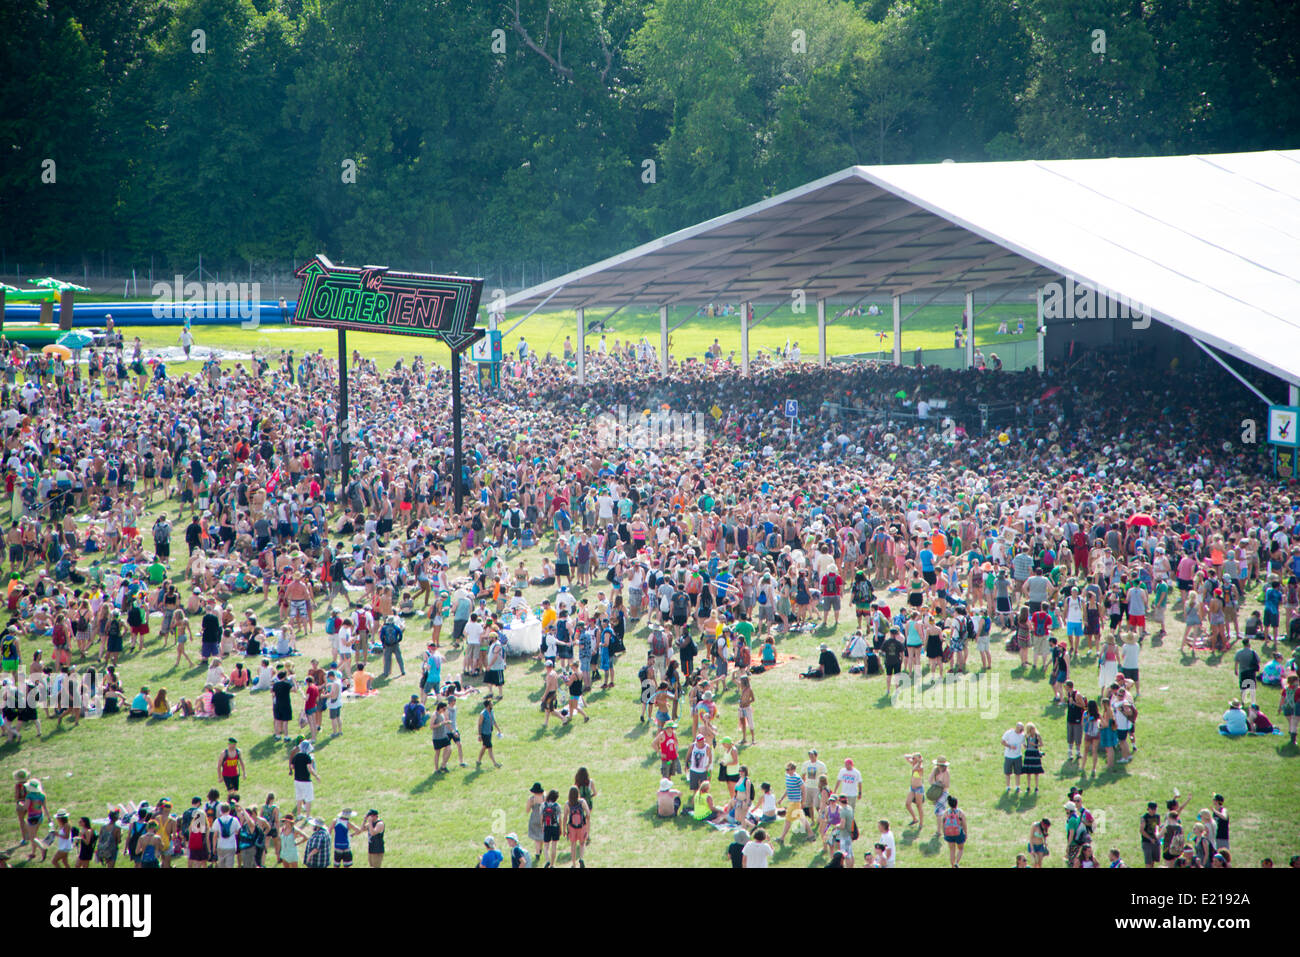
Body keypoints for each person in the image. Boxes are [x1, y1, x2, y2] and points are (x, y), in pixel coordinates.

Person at [476, 697, 503, 768]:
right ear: (488, 705)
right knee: (490, 747)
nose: (492, 704)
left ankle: (478, 760)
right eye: (491, 703)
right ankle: (495, 763)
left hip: (489, 732)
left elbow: (493, 721)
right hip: (484, 733)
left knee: (484, 747)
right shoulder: (483, 714)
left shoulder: (491, 711)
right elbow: (479, 724)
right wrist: (479, 735)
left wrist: (498, 729)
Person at [941, 796, 968, 867]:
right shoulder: (960, 813)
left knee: (952, 850)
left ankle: (952, 866)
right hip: (959, 833)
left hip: (949, 833)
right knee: (961, 849)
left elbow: (943, 824)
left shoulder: (946, 813)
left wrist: (944, 833)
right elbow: (964, 824)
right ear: (956, 803)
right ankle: (957, 862)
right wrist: (965, 833)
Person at [1002, 721, 1026, 792]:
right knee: (1007, 773)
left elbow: (1024, 745)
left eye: (1022, 729)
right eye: (1020, 729)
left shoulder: (1022, 735)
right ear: (1017, 728)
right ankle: (1008, 787)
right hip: (1008, 756)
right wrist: (1010, 746)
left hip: (1018, 756)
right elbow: (1002, 741)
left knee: (1018, 773)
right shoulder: (1009, 733)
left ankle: (1017, 787)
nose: (1021, 731)